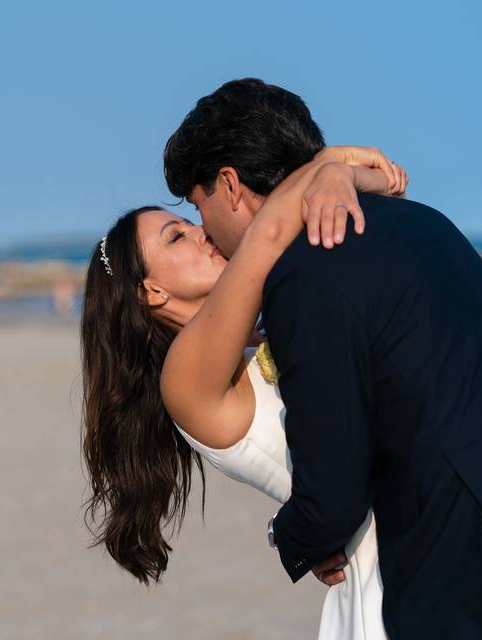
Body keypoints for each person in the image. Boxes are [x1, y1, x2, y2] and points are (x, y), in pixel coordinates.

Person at [162, 78, 482, 639]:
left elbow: (334, 493)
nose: (206, 233)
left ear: (230, 186)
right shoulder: (423, 220)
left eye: (198, 206)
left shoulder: (305, 273)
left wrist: (291, 539)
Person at [81, 145, 406, 639]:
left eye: (189, 224)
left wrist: (359, 180)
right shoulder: (186, 376)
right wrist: (332, 166)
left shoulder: (258, 332)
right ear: (151, 292)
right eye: (177, 237)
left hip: (409, 534)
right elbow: (269, 232)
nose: (201, 232)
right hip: (383, 574)